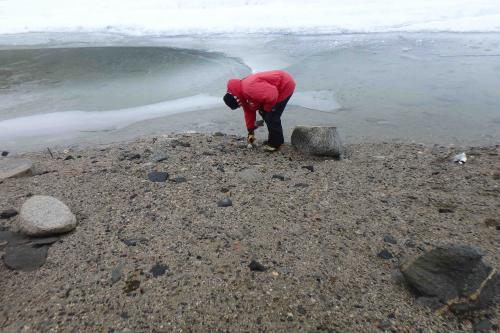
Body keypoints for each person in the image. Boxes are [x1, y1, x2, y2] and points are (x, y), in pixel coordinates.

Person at [223, 70, 295, 152]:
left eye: (238, 106)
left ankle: (275, 143)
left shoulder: (248, 89)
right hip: (276, 87)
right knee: (265, 114)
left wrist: (266, 110)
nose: (240, 107)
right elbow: (249, 112)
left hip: (284, 85)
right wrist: (251, 131)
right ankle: (272, 139)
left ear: (237, 100)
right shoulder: (241, 93)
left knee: (271, 116)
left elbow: (272, 95)